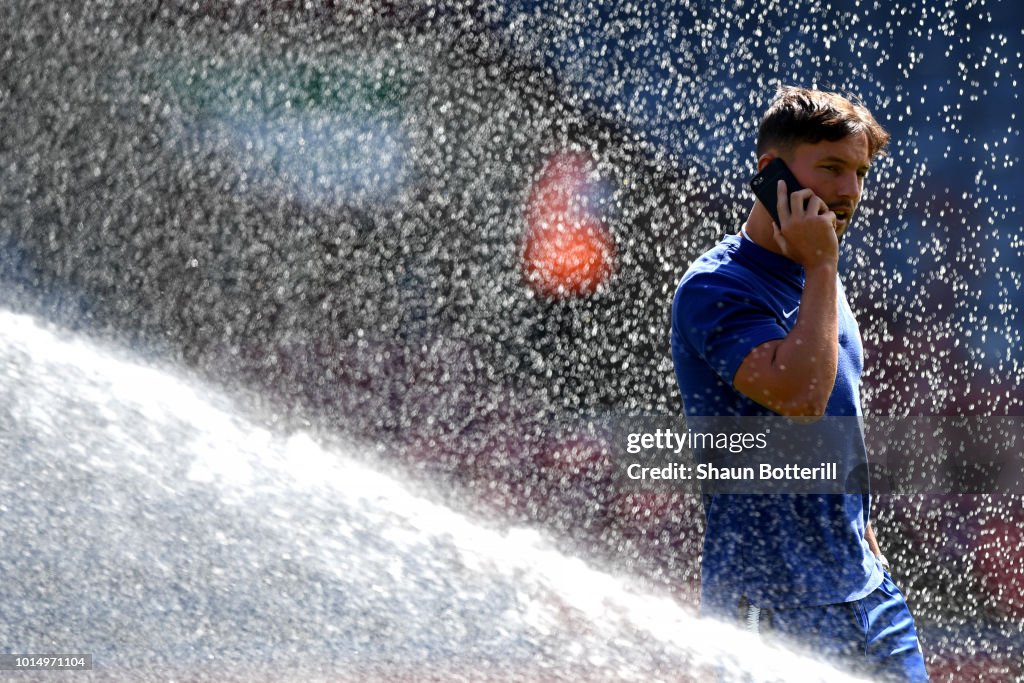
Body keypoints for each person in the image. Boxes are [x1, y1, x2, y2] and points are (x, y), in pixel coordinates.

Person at [670, 86, 928, 681]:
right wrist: (821, 264)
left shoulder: (821, 278)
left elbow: (841, 420)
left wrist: (862, 535)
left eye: (860, 172)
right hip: (768, 609)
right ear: (772, 172)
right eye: (832, 168)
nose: (850, 191)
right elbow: (804, 399)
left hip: (868, 597)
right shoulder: (716, 287)